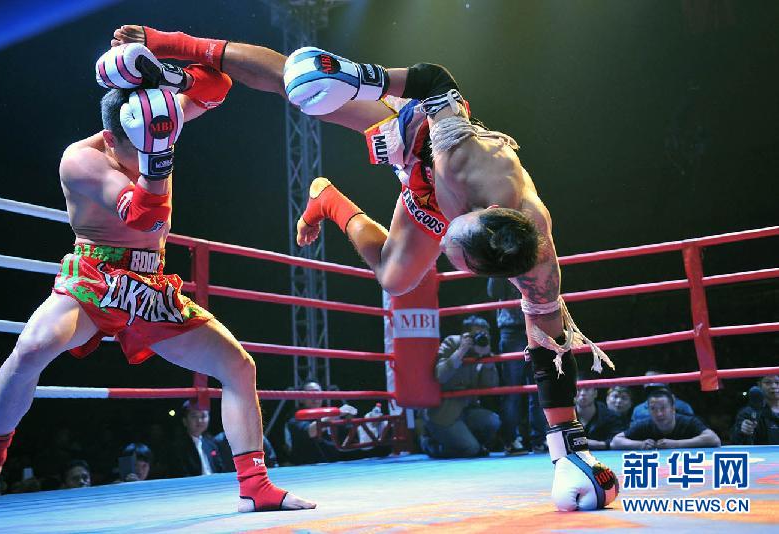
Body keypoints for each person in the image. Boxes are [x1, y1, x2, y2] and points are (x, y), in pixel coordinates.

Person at [108, 24, 617, 510]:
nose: (442, 248)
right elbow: (436, 80)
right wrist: (360, 77)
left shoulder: (537, 267)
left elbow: (549, 348)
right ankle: (173, 45)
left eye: (450, 252)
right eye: (450, 244)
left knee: (395, 278)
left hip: (431, 192)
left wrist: (567, 451)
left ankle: (327, 199)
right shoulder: (468, 156)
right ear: (482, 214)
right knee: (300, 84)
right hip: (417, 134)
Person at [0, 44, 314, 513]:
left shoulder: (157, 118)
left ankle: (255, 487)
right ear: (109, 137)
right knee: (33, 347)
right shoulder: (82, 161)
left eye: (151, 144)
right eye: (134, 148)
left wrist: (165, 63)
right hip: (95, 276)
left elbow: (218, 85)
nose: (143, 155)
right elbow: (143, 214)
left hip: (149, 283)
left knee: (239, 367)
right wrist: (159, 151)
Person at [421, 317, 501, 458]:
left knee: (493, 420)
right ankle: (430, 444)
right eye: (477, 335)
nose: (481, 338)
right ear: (466, 335)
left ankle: (470, 444)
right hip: (444, 414)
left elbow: (491, 386)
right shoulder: (452, 343)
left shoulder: (482, 350)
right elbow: (440, 375)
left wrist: (488, 361)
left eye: (485, 335)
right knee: (471, 450)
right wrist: (461, 351)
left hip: (467, 411)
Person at [488, 278, 548, 453]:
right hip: (512, 329)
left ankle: (539, 439)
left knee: (538, 387)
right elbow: (494, 292)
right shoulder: (503, 264)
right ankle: (511, 440)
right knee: (512, 390)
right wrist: (499, 267)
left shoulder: (535, 262)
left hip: (537, 327)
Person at [610, 388, 720, 450]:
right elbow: (615, 442)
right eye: (653, 409)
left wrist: (676, 444)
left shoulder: (688, 421)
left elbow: (714, 439)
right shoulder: (645, 424)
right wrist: (640, 444)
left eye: (663, 408)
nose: (659, 413)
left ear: (673, 409)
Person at [172, 401, 224, 477]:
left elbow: (220, 469)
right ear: (185, 421)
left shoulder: (211, 443)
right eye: (194, 416)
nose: (199, 420)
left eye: (203, 416)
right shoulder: (177, 446)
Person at [573, 383, 625, 450]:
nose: (583, 393)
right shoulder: (565, 417)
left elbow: (617, 442)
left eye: (587, 389)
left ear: (595, 393)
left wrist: (587, 443)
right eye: (578, 389)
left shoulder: (611, 416)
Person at [731, 375, 779, 445]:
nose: (774, 386)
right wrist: (742, 431)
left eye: (777, 382)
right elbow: (736, 440)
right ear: (759, 385)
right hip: (763, 452)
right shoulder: (748, 413)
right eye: (768, 383)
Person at [630, 371, 694, 424]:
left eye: (658, 389)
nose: (659, 414)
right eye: (647, 381)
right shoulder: (638, 410)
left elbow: (692, 428)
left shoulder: (683, 406)